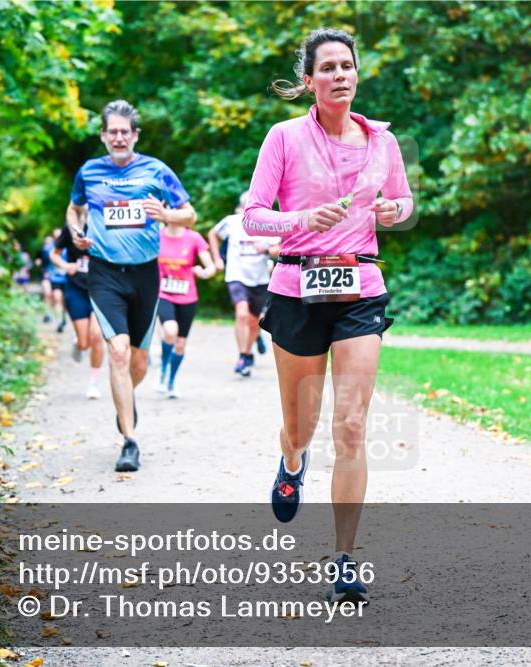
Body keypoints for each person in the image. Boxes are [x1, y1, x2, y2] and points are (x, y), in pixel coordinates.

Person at [243, 28, 413, 604]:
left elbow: (405, 204)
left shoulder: (383, 142)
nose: (340, 75)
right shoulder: (283, 136)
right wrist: (300, 221)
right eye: (329, 68)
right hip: (297, 287)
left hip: (361, 283)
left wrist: (394, 209)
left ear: (357, 74)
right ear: (310, 80)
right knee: (303, 424)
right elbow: (252, 217)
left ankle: (343, 558)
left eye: (348, 66)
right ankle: (291, 459)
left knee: (352, 425)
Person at [67, 99, 196, 472]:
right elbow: (74, 208)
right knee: (118, 353)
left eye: (126, 132)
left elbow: (190, 214)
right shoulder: (89, 172)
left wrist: (166, 214)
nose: (119, 137)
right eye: (113, 132)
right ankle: (129, 439)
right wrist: (76, 231)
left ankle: (126, 399)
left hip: (145, 275)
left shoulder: (156, 170)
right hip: (104, 273)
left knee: (137, 361)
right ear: (104, 136)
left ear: (135, 135)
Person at [208, 191, 280, 377]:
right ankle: (243, 355)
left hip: (260, 278)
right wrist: (217, 259)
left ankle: (248, 351)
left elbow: (280, 248)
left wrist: (267, 250)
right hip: (236, 275)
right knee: (241, 314)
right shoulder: (232, 222)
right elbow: (213, 234)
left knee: (254, 320)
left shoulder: (269, 224)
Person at [154, 224, 216, 398]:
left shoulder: (194, 238)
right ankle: (163, 367)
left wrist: (203, 272)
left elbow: (210, 267)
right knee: (170, 330)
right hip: (163, 292)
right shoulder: (156, 235)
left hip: (187, 296)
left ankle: (171, 382)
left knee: (180, 344)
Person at [50, 225, 105, 399]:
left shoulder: (106, 225)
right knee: (84, 343)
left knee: (97, 335)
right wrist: (66, 265)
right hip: (76, 290)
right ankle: (78, 343)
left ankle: (94, 383)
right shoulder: (72, 229)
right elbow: (54, 254)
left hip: (101, 289)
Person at [42, 229, 68, 332]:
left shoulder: (68, 248)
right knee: (57, 298)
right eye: (56, 236)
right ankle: (60, 321)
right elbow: (44, 263)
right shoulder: (49, 249)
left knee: (64, 301)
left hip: (68, 278)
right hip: (55, 278)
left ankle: (63, 318)